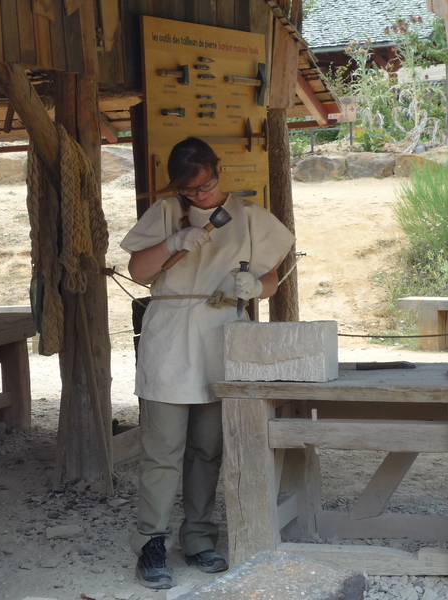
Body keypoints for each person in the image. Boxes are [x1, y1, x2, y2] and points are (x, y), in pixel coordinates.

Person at [120, 137, 294, 589]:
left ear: (218, 170)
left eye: (206, 185)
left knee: (207, 448)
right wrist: (174, 240)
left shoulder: (249, 217)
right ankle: (151, 542)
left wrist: (255, 288)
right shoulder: (164, 212)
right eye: (190, 189)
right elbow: (138, 271)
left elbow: (271, 277)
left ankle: (198, 536)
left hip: (221, 337)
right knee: (161, 451)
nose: (200, 195)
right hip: (169, 337)